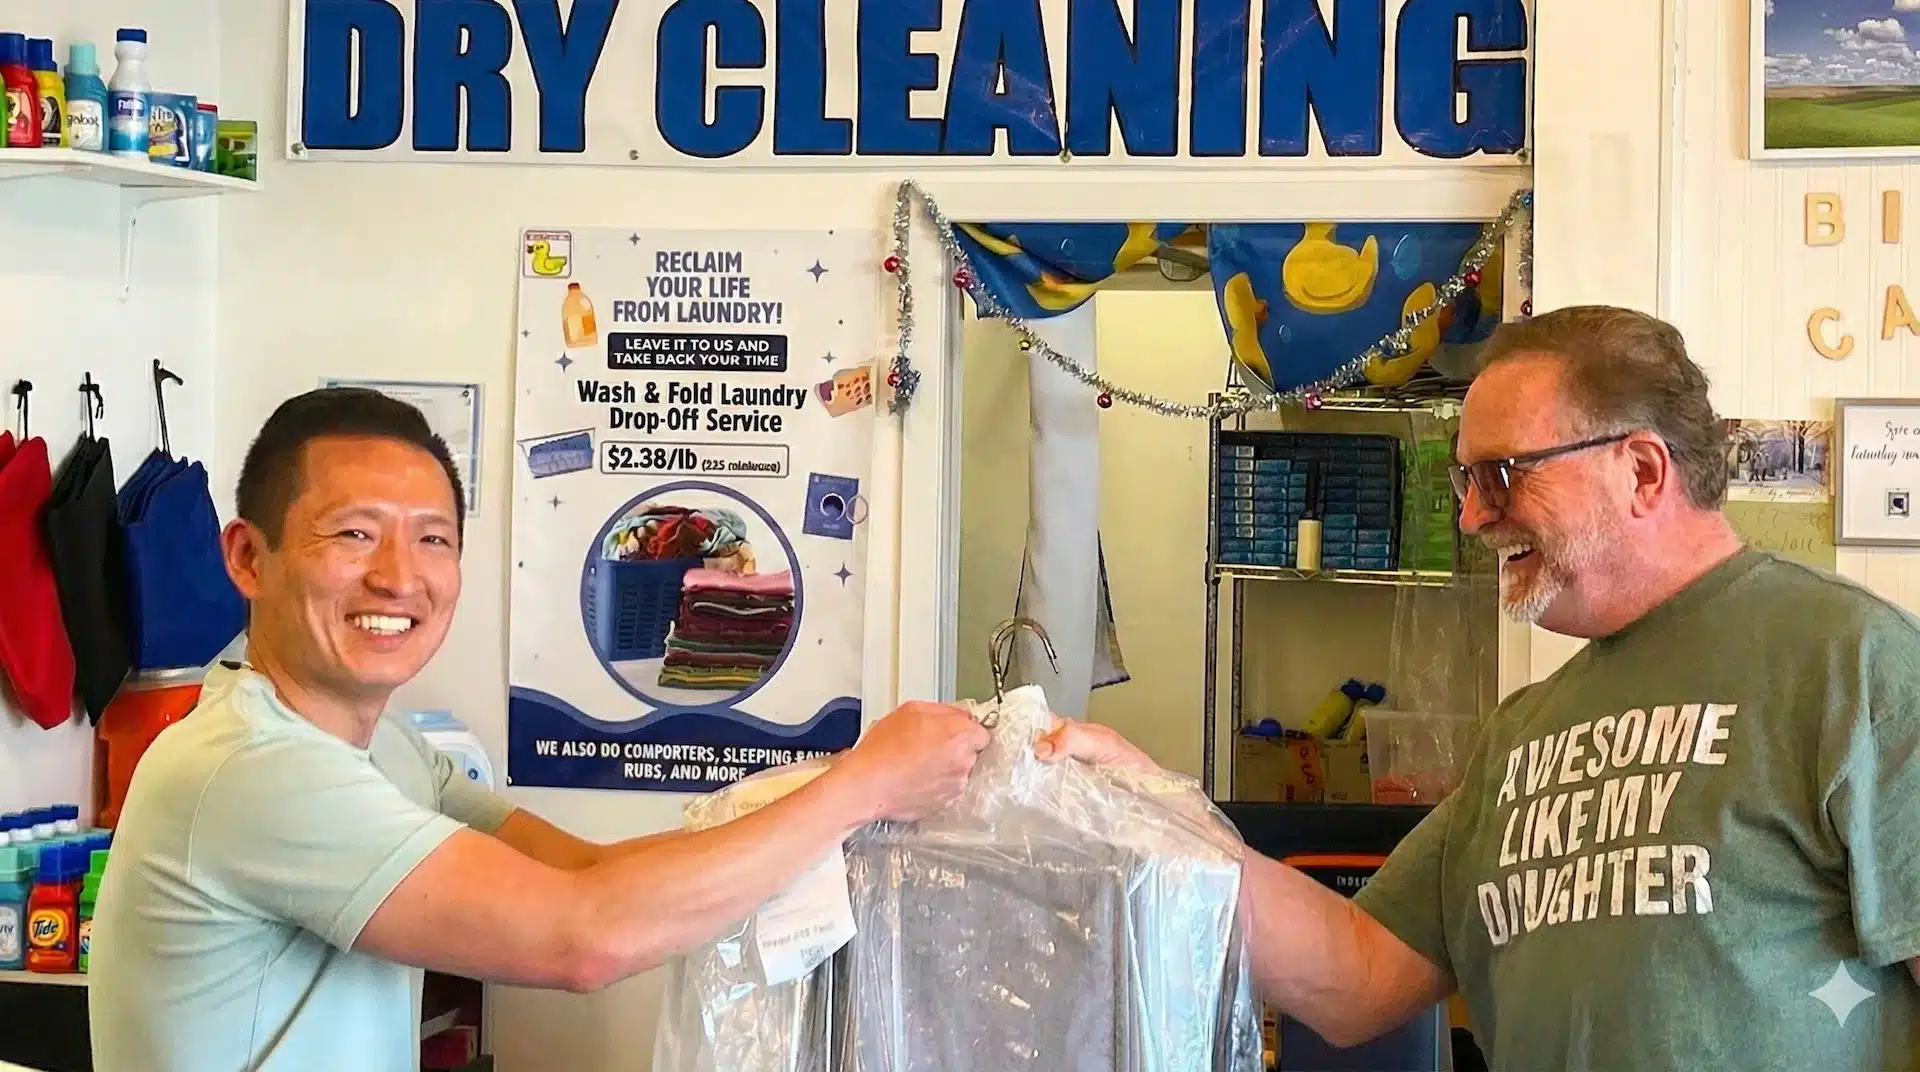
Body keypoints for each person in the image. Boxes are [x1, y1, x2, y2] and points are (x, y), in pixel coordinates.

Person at [1039, 306, 1920, 1069]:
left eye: (1502, 474)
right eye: (1465, 481)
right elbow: (1360, 975)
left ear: (1644, 472)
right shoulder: (1521, 733)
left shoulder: (1849, 659)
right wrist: (1146, 811)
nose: (1470, 517)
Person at [89, 388, 990, 1071]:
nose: (400, 578)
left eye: (434, 540)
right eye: (355, 535)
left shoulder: (388, 754)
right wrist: (864, 783)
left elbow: (592, 873)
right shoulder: (252, 769)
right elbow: (583, 935)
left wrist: (849, 784)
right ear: (249, 556)